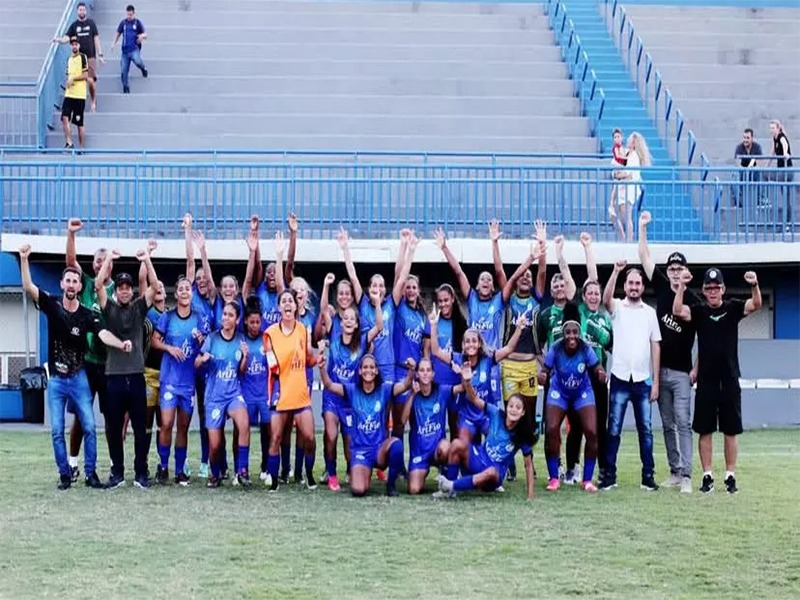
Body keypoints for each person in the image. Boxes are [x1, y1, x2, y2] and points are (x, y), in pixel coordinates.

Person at [18, 244, 125, 490]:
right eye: (67, 280)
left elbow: (103, 335)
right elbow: (28, 287)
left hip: (78, 379)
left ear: (79, 287)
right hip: (56, 381)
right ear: (62, 284)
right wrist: (24, 259)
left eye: (75, 281)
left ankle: (91, 475)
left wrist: (121, 344)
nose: (71, 285)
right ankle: (65, 475)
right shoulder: (52, 305)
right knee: (57, 430)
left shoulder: (87, 315)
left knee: (89, 426)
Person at [672, 267, 762, 494]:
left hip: (730, 379)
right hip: (706, 381)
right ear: (703, 291)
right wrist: (681, 285)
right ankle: (707, 476)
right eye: (708, 288)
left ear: (722, 289)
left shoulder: (732, 307)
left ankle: (730, 476)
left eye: (716, 288)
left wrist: (754, 285)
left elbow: (756, 304)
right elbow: (677, 310)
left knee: (730, 430)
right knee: (705, 430)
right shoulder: (699, 311)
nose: (713, 292)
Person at [638, 211, 698, 493]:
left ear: (687, 271)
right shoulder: (661, 285)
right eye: (672, 269)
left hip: (682, 373)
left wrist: (697, 367)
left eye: (679, 269)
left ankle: (687, 475)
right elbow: (645, 257)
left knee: (683, 423)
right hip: (660, 371)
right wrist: (642, 228)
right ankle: (674, 471)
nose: (675, 272)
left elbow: (707, 337)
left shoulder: (694, 299)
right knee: (666, 424)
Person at [95, 248, 157, 489]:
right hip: (113, 378)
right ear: (117, 290)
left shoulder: (139, 308)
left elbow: (154, 285)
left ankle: (141, 473)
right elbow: (99, 286)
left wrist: (147, 260)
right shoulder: (109, 309)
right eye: (120, 287)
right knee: (113, 429)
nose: (123, 290)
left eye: (127, 287)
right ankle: (117, 473)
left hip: (136, 376)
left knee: (140, 429)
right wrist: (109, 259)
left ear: (131, 291)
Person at [428, 304, 528, 445]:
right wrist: (433, 325)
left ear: (480, 343)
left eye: (474, 341)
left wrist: (519, 328)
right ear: (463, 345)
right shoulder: (457, 359)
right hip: (467, 415)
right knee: (462, 447)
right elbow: (436, 351)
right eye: (467, 341)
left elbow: (509, 348)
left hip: (484, 415)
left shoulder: (488, 359)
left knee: (497, 442)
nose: (471, 344)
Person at [601, 260, 661, 491]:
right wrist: (615, 271)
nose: (634, 287)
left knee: (645, 430)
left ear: (643, 287)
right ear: (625, 286)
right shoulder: (617, 308)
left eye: (638, 283)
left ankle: (648, 476)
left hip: (643, 380)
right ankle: (609, 476)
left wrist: (655, 381)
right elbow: (606, 299)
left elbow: (656, 345)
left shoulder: (650, 313)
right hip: (619, 378)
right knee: (613, 429)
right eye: (630, 283)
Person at [319, 279, 384, 491]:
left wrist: (376, 304)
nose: (347, 321)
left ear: (356, 324)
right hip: (332, 396)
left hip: (350, 400)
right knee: (330, 434)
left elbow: (380, 326)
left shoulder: (363, 340)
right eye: (345, 318)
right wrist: (327, 286)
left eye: (351, 319)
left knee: (349, 442)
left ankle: (351, 469)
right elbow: (323, 310)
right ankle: (331, 474)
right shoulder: (333, 336)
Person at [318, 353, 414, 497]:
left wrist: (412, 369)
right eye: (365, 367)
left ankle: (391, 485)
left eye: (371, 367)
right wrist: (321, 368)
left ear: (376, 370)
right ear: (360, 371)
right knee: (359, 490)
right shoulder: (351, 390)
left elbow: (406, 385)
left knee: (397, 445)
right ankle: (365, 473)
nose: (368, 370)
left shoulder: (385, 389)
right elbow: (329, 385)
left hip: (379, 449)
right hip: (360, 452)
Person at [435, 365, 535, 500]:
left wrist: (530, 495)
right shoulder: (495, 413)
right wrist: (468, 381)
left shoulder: (521, 434)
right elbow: (474, 399)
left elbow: (528, 465)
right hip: (480, 457)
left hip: (493, 474)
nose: (513, 410)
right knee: (457, 444)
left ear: (522, 412)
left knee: (492, 472)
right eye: (511, 406)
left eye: (518, 408)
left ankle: (452, 485)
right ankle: (450, 490)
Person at [65, 218, 115, 482]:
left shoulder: (118, 290)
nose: (100, 263)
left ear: (111, 266)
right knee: (81, 416)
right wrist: (71, 234)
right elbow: (71, 262)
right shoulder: (83, 284)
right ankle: (73, 464)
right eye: (97, 259)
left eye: (104, 260)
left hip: (108, 365)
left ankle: (112, 466)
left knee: (110, 418)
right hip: (83, 362)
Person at [538, 302, 607, 493]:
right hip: (559, 391)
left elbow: (597, 367)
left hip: (581, 392)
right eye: (568, 332)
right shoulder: (556, 349)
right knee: (551, 429)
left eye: (575, 332)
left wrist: (601, 373)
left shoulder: (585, 349)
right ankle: (554, 478)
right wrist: (542, 375)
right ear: (563, 332)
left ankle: (587, 480)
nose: (571, 336)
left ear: (579, 332)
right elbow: (545, 369)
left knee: (592, 432)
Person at [496, 220, 547, 481]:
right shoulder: (508, 300)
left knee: (527, 417)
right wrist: (495, 242)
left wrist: (542, 245)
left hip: (528, 366)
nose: (526, 278)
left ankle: (528, 460)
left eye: (529, 276)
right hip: (509, 365)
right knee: (509, 415)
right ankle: (508, 462)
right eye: (522, 276)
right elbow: (503, 272)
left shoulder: (537, 299)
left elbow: (541, 272)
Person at [151, 276, 207, 485]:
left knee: (183, 427)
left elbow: (205, 347)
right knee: (166, 424)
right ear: (176, 294)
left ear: (191, 294)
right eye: (181, 289)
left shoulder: (199, 318)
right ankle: (163, 466)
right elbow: (154, 341)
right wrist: (169, 348)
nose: (184, 292)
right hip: (169, 380)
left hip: (188, 382)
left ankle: (180, 470)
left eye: (187, 289)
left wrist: (202, 343)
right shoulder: (168, 317)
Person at [263, 289, 320, 492]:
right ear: (279, 307)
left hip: (300, 393)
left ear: (296, 307)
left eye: (291, 301)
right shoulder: (270, 333)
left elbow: (308, 360)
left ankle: (309, 474)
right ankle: (274, 479)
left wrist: (318, 358)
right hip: (280, 390)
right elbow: (273, 366)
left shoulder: (303, 330)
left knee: (310, 437)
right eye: (284, 301)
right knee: (276, 438)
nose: (288, 304)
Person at [195, 301, 251, 488]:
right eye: (224, 314)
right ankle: (216, 473)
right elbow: (196, 363)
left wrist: (245, 357)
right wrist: (202, 359)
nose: (225, 318)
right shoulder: (212, 338)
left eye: (230, 315)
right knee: (215, 445)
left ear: (237, 319)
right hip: (214, 396)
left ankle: (242, 470)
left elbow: (241, 370)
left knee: (244, 422)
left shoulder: (241, 340)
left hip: (233, 393)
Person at [183, 214, 217, 478]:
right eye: (200, 281)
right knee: (185, 412)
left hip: (206, 366)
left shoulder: (214, 302)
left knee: (207, 416)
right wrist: (189, 232)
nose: (202, 283)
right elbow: (191, 265)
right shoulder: (191, 297)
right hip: (185, 364)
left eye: (206, 280)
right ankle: (181, 462)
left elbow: (205, 272)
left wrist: (205, 251)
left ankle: (207, 461)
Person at [402, 359, 463, 495]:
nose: (425, 373)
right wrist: (412, 394)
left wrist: (462, 374)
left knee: (446, 447)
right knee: (414, 489)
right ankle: (422, 471)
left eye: (428, 370)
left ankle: (448, 475)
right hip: (419, 452)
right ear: (417, 374)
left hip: (437, 449)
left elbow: (462, 387)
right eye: (422, 370)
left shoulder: (442, 391)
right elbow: (402, 420)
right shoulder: (413, 394)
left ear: (433, 374)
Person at [422, 283, 468, 442]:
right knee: (437, 426)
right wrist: (427, 375)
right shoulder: (433, 321)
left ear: (453, 300)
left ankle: (455, 462)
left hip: (455, 383)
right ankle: (442, 463)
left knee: (455, 425)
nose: (443, 304)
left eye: (446, 300)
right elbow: (427, 350)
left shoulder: (462, 323)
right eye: (440, 301)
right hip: (438, 382)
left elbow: (466, 353)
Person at [239, 297, 271, 485]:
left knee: (267, 430)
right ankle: (241, 469)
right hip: (246, 394)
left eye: (258, 322)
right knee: (242, 430)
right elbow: (239, 370)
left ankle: (265, 467)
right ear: (245, 322)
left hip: (264, 394)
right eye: (251, 322)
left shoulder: (267, 339)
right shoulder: (241, 340)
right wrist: (245, 357)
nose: (255, 325)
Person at [140, 241, 165, 460]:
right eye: (156, 286)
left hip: (166, 374)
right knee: (146, 420)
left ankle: (162, 464)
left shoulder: (171, 315)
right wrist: (146, 256)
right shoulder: (146, 312)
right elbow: (142, 281)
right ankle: (144, 462)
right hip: (148, 373)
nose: (158, 289)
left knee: (163, 422)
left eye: (162, 288)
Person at [54, 2, 104, 112]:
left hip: (90, 57)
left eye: (83, 10)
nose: (82, 12)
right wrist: (59, 40)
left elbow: (96, 39)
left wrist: (100, 54)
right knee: (75, 80)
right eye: (80, 10)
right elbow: (67, 37)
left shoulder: (91, 23)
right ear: (77, 11)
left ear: (86, 11)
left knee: (90, 81)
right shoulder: (74, 25)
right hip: (78, 59)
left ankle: (93, 100)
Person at [613, 132, 653, 242]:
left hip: (629, 189)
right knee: (620, 215)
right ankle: (624, 238)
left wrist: (618, 175)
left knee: (627, 216)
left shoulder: (634, 156)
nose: (627, 140)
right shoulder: (628, 154)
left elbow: (628, 173)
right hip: (624, 187)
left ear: (634, 143)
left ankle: (628, 240)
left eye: (630, 139)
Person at [111, 4, 147, 94]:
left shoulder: (137, 23)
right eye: (127, 14)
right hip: (125, 52)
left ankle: (143, 68)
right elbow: (118, 33)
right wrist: (113, 43)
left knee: (138, 62)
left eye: (130, 15)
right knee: (124, 71)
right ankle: (126, 88)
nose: (129, 16)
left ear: (134, 14)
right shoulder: (123, 23)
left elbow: (145, 35)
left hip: (134, 49)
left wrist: (142, 36)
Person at [61, 36, 88, 151]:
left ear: (79, 45)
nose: (74, 46)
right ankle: (69, 142)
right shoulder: (69, 59)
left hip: (79, 95)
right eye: (72, 44)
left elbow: (85, 75)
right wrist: (68, 82)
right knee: (64, 117)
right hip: (69, 94)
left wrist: (73, 79)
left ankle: (81, 148)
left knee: (79, 122)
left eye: (76, 44)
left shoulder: (82, 57)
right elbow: (68, 76)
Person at [767, 119, 794, 231]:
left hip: (787, 170)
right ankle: (787, 223)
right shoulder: (775, 138)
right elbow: (773, 152)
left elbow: (785, 144)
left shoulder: (781, 136)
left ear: (778, 128)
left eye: (773, 128)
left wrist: (785, 154)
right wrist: (767, 165)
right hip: (781, 170)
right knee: (785, 198)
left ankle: (787, 222)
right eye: (770, 128)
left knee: (786, 196)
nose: (771, 130)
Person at [734, 128, 765, 208]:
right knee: (735, 175)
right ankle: (737, 202)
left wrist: (752, 169)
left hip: (754, 172)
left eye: (748, 138)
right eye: (744, 137)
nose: (745, 140)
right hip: (743, 172)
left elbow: (759, 164)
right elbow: (738, 163)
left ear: (752, 138)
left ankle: (761, 200)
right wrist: (745, 171)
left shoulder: (757, 147)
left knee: (761, 174)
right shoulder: (739, 147)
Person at [608, 128, 629, 238]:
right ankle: (611, 204)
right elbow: (618, 158)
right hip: (617, 171)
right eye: (615, 137)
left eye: (618, 137)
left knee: (622, 207)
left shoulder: (623, 149)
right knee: (615, 190)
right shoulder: (615, 148)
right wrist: (625, 161)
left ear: (622, 137)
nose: (617, 139)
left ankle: (624, 233)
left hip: (622, 176)